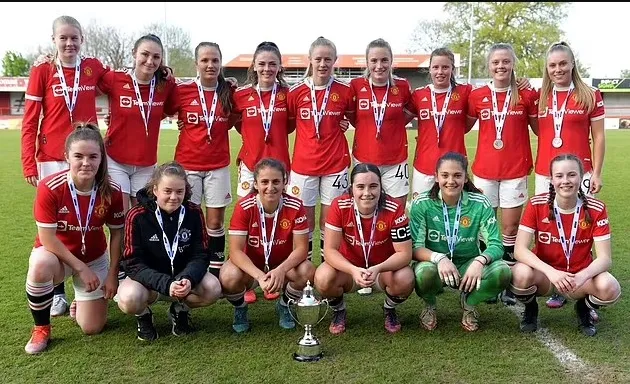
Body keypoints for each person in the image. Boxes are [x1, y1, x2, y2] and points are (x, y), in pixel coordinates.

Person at [22, 15, 111, 317]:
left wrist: (162, 71)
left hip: (86, 151)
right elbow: (31, 118)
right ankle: (57, 291)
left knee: (86, 216)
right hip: (51, 156)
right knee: (57, 222)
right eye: (63, 38)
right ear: (54, 40)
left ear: (82, 38)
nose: (69, 43)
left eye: (74, 37)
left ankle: (82, 290)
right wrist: (28, 162)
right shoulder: (43, 69)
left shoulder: (93, 68)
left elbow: (124, 82)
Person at [24, 123, 125, 354]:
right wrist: (80, 268)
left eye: (93, 156)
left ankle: (80, 302)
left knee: (92, 327)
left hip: (94, 258)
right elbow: (47, 238)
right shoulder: (49, 187)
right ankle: (41, 327)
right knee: (40, 265)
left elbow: (117, 233)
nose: (86, 163)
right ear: (67, 156)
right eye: (78, 156)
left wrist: (112, 274)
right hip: (58, 257)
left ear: (101, 158)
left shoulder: (113, 190)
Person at [511, 154, 620, 336]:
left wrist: (581, 276)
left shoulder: (596, 208)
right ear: (551, 179)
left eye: (572, 175)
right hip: (545, 277)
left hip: (578, 279)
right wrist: (551, 272)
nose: (565, 181)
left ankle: (583, 308)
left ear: (581, 176)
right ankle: (531, 308)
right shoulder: (537, 204)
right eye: (559, 176)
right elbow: (519, 249)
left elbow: (605, 259)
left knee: (610, 287)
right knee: (519, 274)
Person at [534, 42, 606, 310]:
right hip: (546, 173)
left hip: (580, 173)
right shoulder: (539, 96)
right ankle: (558, 286)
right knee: (551, 228)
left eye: (563, 63)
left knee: (578, 229)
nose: (557, 69)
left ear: (573, 63)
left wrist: (596, 173)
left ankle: (583, 287)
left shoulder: (589, 94)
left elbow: (599, 136)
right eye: (552, 65)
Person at [466, 43, 539, 305]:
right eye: (496, 62)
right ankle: (488, 279)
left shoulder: (526, 95)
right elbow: (462, 125)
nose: (501, 66)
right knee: (487, 227)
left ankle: (507, 281)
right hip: (485, 170)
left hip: (515, 169)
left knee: (510, 227)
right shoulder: (477, 96)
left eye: (506, 62)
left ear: (513, 64)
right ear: (489, 65)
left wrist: (530, 89)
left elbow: (540, 129)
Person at [117, 162, 222, 341]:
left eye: (179, 191)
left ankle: (180, 310)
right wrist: (166, 284)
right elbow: (132, 263)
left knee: (213, 289)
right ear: (155, 189)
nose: (174, 197)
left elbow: (201, 255)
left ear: (185, 191)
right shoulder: (137, 215)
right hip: (149, 282)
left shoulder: (194, 212)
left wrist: (188, 279)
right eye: (167, 191)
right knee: (128, 299)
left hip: (182, 279)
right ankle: (143, 316)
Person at [409, 152, 511, 332]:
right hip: (434, 265)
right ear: (436, 177)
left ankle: (469, 304)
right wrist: (439, 258)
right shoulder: (422, 203)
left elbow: (496, 244)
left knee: (502, 272)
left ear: (465, 178)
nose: (451, 181)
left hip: (468, 265)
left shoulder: (480, 203)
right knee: (423, 274)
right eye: (445, 175)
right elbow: (415, 248)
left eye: (457, 175)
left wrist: (480, 261)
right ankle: (430, 305)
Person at [314, 163, 414, 335]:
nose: (367, 193)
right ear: (351, 189)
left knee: (405, 278)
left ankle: (389, 309)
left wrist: (378, 268)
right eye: (360, 187)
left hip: (382, 272)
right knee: (323, 277)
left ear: (381, 187)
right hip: (349, 272)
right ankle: (339, 311)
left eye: (373, 186)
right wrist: (353, 270)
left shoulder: (395, 208)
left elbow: (405, 254)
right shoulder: (339, 206)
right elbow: (329, 251)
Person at [222, 158, 314, 333]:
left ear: (285, 182)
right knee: (228, 275)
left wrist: (281, 270)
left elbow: (302, 249)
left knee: (307, 270)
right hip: (252, 268)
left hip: (282, 267)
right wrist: (258, 276)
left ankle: (284, 305)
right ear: (255, 183)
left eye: (276, 182)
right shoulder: (245, 206)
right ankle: (240, 308)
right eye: (264, 182)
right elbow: (235, 251)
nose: (270, 187)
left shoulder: (295, 206)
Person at [232, 41, 292, 303]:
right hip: (250, 168)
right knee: (250, 223)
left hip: (280, 169)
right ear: (254, 66)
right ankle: (249, 281)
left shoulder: (288, 95)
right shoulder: (240, 95)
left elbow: (292, 124)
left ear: (279, 67)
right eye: (262, 63)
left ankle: (279, 278)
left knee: (281, 223)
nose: (267, 68)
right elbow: (236, 124)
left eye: (272, 64)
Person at [287, 36, 355, 265]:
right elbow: (286, 122)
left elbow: (354, 117)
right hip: (303, 167)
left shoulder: (345, 91)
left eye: (328, 59)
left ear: (335, 60)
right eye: (318, 59)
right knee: (303, 221)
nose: (323, 64)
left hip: (335, 166)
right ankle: (303, 271)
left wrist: (344, 121)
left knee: (330, 221)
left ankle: (330, 268)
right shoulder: (295, 93)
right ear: (310, 60)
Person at [173, 42, 235, 280]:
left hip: (218, 166)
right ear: (196, 63)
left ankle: (216, 270)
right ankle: (191, 267)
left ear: (221, 63)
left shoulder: (229, 91)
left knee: (215, 221)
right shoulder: (182, 90)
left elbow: (238, 118)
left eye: (215, 61)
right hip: (188, 165)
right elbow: (162, 103)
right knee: (189, 219)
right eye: (205, 60)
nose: (210, 65)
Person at [98, 33, 179, 212]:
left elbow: (169, 110)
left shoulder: (166, 84)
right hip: (115, 160)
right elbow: (85, 87)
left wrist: (225, 83)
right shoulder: (115, 78)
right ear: (134, 53)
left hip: (146, 163)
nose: (150, 61)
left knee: (143, 218)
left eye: (156, 57)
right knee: (119, 219)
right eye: (145, 54)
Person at [348, 38, 414, 208]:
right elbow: (351, 116)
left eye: (384, 60)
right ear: (367, 62)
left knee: (396, 211)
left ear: (391, 61)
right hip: (364, 160)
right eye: (374, 60)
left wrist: (392, 125)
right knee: (365, 210)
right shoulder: (355, 86)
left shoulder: (402, 86)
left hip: (396, 161)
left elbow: (407, 113)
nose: (379, 66)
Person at [408, 48, 474, 198]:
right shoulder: (418, 95)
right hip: (424, 166)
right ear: (429, 69)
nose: (440, 72)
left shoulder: (465, 92)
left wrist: (517, 82)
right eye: (435, 67)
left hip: (455, 167)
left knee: (454, 213)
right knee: (422, 214)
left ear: (452, 69)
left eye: (445, 67)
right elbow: (397, 120)